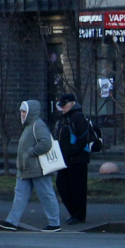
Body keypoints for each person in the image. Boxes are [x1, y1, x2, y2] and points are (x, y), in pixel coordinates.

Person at [0, 99, 62, 232]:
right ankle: (11, 222)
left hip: (38, 169)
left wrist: (30, 153)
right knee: (20, 195)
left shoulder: (38, 125)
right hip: (26, 170)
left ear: (31, 112)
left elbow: (46, 143)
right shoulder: (29, 126)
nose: (21, 113)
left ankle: (55, 223)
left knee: (46, 195)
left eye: (24, 111)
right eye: (21, 111)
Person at [51, 93, 91, 225]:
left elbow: (83, 137)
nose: (62, 108)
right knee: (62, 185)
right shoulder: (63, 119)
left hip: (78, 160)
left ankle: (79, 215)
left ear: (72, 104)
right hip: (65, 159)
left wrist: (73, 150)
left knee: (77, 188)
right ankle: (74, 213)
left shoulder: (78, 117)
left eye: (64, 105)